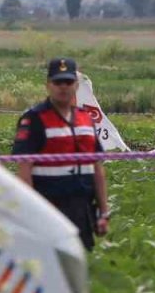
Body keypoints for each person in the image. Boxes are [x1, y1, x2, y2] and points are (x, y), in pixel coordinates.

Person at [13, 57, 111, 251]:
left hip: (82, 209)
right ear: (48, 85)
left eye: (68, 82)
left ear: (76, 85)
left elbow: (97, 169)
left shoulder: (85, 119)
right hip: (48, 208)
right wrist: (32, 213)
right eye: (58, 82)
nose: (63, 87)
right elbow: (24, 172)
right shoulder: (34, 119)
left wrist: (104, 212)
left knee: (79, 266)